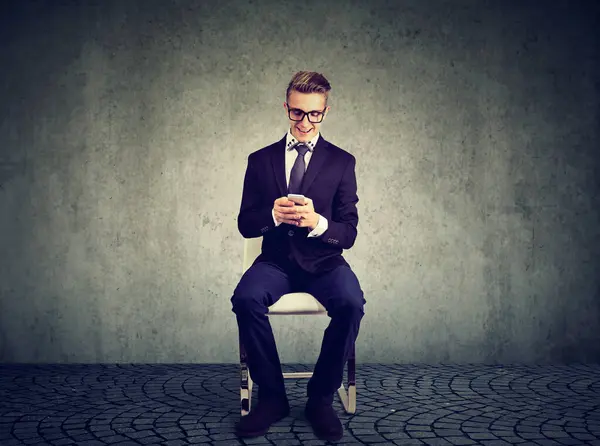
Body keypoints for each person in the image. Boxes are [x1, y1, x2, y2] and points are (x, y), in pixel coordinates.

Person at [231, 71, 365, 442]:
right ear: (286, 108)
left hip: (324, 263)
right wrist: (272, 215)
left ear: (325, 111)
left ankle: (320, 399)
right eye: (297, 113)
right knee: (245, 298)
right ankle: (272, 398)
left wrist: (319, 223)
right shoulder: (259, 160)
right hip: (276, 262)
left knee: (352, 303)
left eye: (314, 114)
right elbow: (245, 224)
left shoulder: (342, 162)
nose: (305, 123)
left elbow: (349, 232)